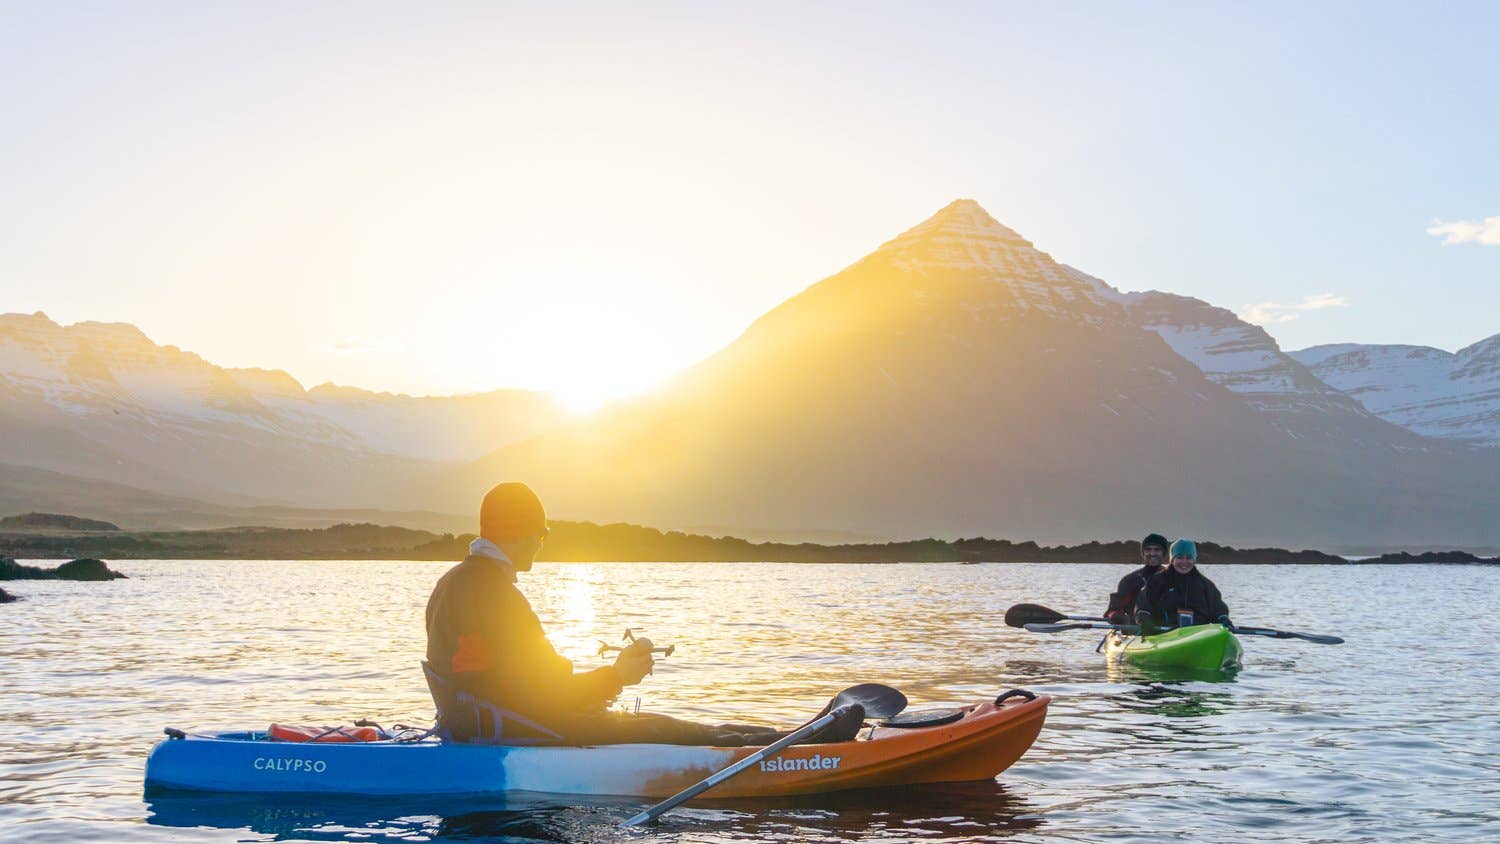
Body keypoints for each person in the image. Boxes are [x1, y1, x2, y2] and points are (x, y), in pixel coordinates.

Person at [425, 481, 863, 746]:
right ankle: (812, 745)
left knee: (686, 728)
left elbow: (519, 681)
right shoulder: (498, 596)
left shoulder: (452, 583)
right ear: (521, 532)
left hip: (487, 721)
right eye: (543, 531)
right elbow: (547, 693)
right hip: (527, 727)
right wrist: (619, 676)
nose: (544, 541)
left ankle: (804, 733)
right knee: (683, 733)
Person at [1136, 538, 1230, 631]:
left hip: (1198, 637)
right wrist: (1143, 618)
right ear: (1172, 560)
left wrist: (1223, 618)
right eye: (1179, 557)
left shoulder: (1206, 585)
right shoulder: (1156, 581)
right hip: (1163, 635)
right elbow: (1143, 605)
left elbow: (1218, 607)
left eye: (1189, 558)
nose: (1184, 562)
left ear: (1194, 560)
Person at [1103, 533, 1169, 624]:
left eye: (1157, 550)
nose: (1152, 553)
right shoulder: (1130, 580)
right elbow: (1114, 608)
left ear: (1164, 553)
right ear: (1143, 553)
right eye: (1148, 550)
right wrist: (1115, 615)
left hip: (1168, 630)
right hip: (1135, 629)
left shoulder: (1174, 578)